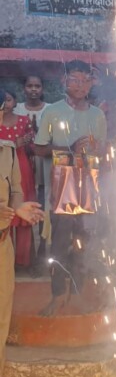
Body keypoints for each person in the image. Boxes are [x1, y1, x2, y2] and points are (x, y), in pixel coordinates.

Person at [33, 61, 107, 316]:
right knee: (59, 244)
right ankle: (56, 295)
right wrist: (70, 149)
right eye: (74, 79)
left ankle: (76, 295)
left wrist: (95, 150)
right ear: (64, 81)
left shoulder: (98, 115)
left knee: (82, 244)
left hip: (89, 187)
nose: (79, 85)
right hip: (61, 187)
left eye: (85, 80)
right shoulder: (52, 111)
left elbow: (103, 151)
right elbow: (38, 148)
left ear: (91, 83)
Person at [0, 89, 44, 377]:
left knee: (1, 320)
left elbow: (15, 190)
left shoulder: (7, 150)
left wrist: (20, 208)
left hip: (3, 245)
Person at [14, 74, 49, 271]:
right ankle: (25, 257)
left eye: (37, 85)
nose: (33, 89)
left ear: (42, 88)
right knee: (24, 209)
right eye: (30, 86)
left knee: (42, 209)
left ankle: (43, 255)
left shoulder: (50, 110)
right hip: (22, 168)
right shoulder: (15, 109)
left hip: (44, 168)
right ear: (24, 88)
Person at [0, 90, 36, 267]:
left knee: (20, 212)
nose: (5, 105)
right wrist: (16, 143)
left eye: (8, 100)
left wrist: (27, 142)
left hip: (20, 167)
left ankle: (22, 261)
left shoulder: (24, 121)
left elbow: (34, 147)